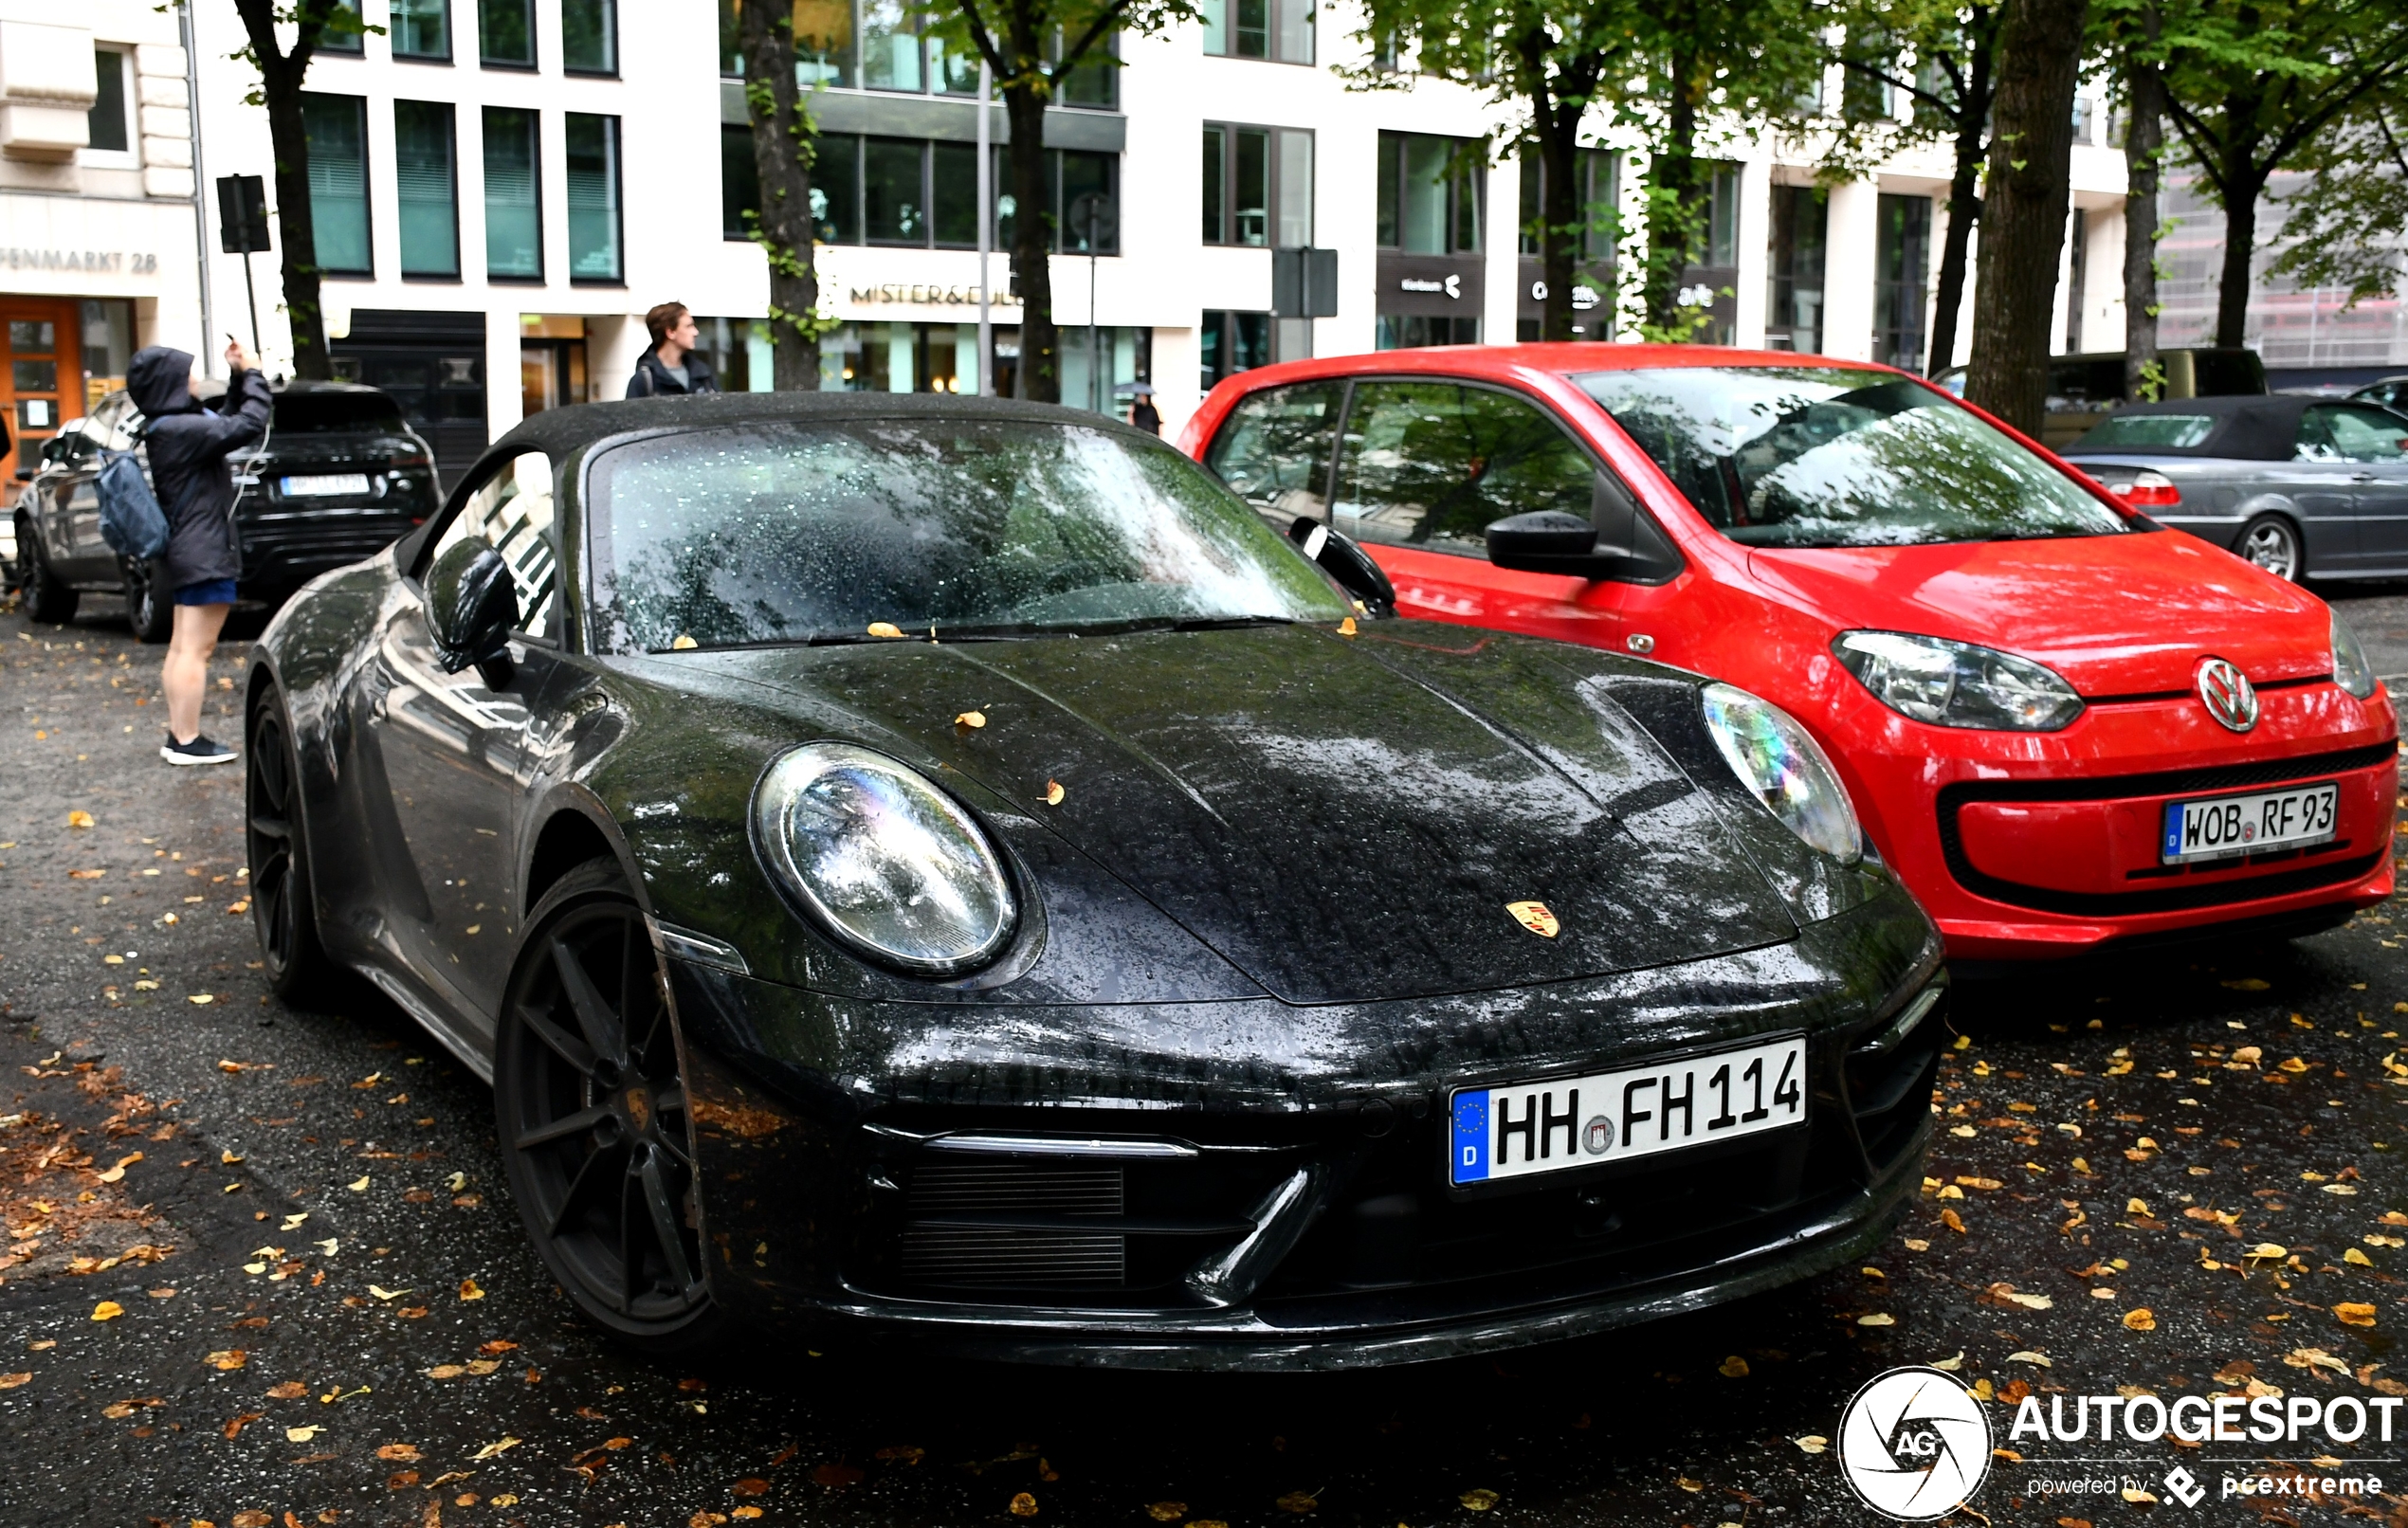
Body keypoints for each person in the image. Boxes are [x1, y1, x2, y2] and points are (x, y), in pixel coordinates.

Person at [125, 338, 270, 766]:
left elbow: (222, 421)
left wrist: (239, 376)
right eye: (186, 372)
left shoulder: (170, 427)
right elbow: (247, 425)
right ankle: (187, 740)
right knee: (195, 650)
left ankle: (178, 735)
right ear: (169, 382)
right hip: (204, 551)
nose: (193, 378)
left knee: (182, 647)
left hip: (189, 549)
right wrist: (257, 372)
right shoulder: (177, 430)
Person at [625, 303, 720, 397]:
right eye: (688, 326)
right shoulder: (645, 381)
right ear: (670, 332)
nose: (696, 332)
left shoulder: (704, 375)